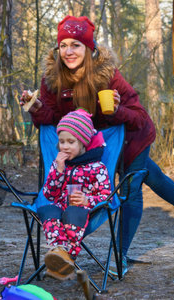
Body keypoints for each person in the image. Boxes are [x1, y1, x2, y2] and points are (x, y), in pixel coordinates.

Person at [21, 15, 174, 276]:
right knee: (150, 174)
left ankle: (119, 256)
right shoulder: (52, 80)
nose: (68, 51)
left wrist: (116, 108)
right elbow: (52, 120)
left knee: (131, 189)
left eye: (76, 45)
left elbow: (139, 118)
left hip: (130, 141)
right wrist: (35, 108)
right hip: (89, 148)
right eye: (63, 45)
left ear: (89, 48)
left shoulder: (108, 77)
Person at [38, 108, 111, 281]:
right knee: (47, 209)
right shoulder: (59, 165)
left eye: (71, 142)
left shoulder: (97, 168)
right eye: (62, 141)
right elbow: (50, 194)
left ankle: (64, 258)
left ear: (83, 143)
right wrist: (58, 170)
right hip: (59, 208)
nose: (65, 146)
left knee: (73, 212)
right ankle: (59, 254)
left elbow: (106, 196)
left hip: (82, 211)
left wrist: (88, 200)